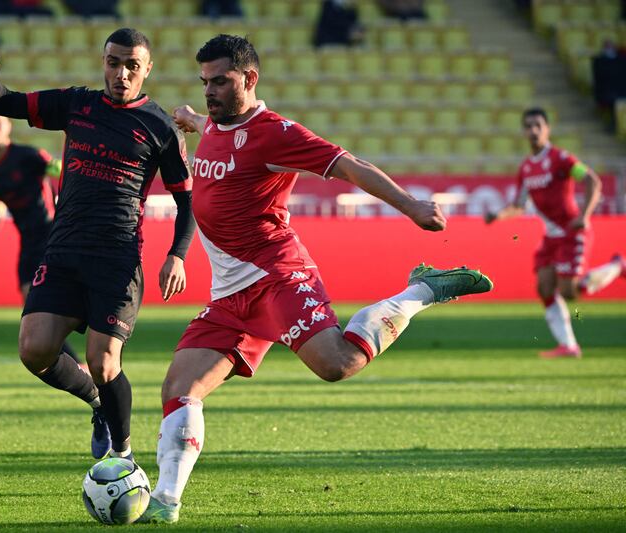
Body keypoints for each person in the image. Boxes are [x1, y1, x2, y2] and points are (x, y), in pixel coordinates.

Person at [136, 34, 493, 524]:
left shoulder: (277, 133)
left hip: (277, 275)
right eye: (204, 82)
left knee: (337, 364)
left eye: (220, 81)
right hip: (229, 294)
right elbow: (214, 130)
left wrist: (411, 206)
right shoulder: (215, 123)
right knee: (179, 387)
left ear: (250, 79)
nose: (209, 91)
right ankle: (166, 503)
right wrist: (193, 121)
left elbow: (349, 165)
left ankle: (422, 289)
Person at [0, 28, 195, 462]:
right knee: (33, 350)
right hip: (64, 250)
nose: (121, 73)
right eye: (113, 62)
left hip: (117, 257)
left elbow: (187, 202)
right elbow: (3, 101)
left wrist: (177, 255)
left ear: (147, 69)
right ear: (103, 62)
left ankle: (123, 460)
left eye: (131, 65)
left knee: (105, 362)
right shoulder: (77, 104)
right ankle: (98, 406)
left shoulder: (161, 127)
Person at [485, 108, 624, 358]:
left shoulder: (561, 158)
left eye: (538, 125)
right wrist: (498, 216)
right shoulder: (526, 169)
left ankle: (618, 266)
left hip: (573, 231)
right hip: (551, 237)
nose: (533, 130)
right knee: (545, 287)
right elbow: (518, 204)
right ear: (524, 131)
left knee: (570, 292)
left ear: (547, 128)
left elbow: (592, 180)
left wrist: (584, 216)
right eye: (528, 126)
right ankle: (569, 346)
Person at [0, 107, 87, 369]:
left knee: (39, 297)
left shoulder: (27, 156)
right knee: (30, 299)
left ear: (8, 126)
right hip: (28, 239)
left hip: (52, 233)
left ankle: (74, 347)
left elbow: (59, 170)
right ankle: (72, 358)